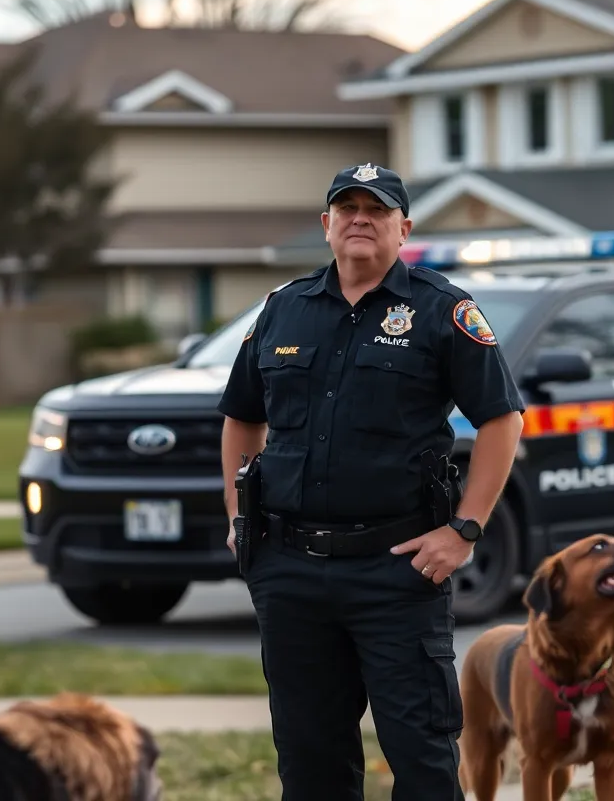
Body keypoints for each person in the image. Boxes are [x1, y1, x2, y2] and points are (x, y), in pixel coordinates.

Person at [217, 162, 526, 801]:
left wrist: (465, 530)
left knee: (422, 756)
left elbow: (502, 419)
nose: (361, 219)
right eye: (347, 208)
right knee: (310, 760)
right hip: (292, 572)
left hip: (397, 571)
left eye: (377, 210)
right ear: (327, 224)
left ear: (402, 228)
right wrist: (238, 518)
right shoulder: (283, 310)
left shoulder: (443, 311)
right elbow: (242, 417)